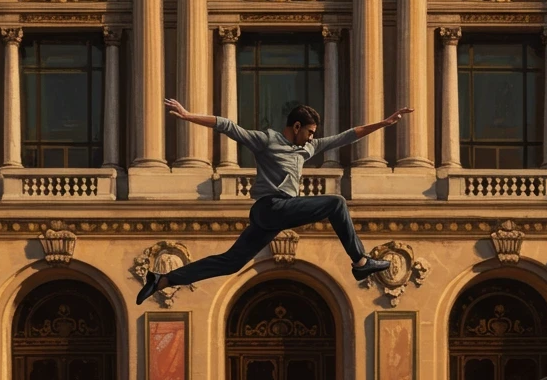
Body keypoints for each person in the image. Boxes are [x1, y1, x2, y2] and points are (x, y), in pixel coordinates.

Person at [136, 100, 411, 305]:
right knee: (336, 203)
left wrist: (384, 123)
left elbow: (348, 135)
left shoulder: (308, 148)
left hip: (273, 217)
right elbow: (229, 127)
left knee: (231, 262)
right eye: (310, 132)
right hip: (270, 208)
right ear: (296, 127)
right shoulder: (267, 140)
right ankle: (361, 261)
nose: (313, 138)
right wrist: (188, 116)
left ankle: (162, 280)